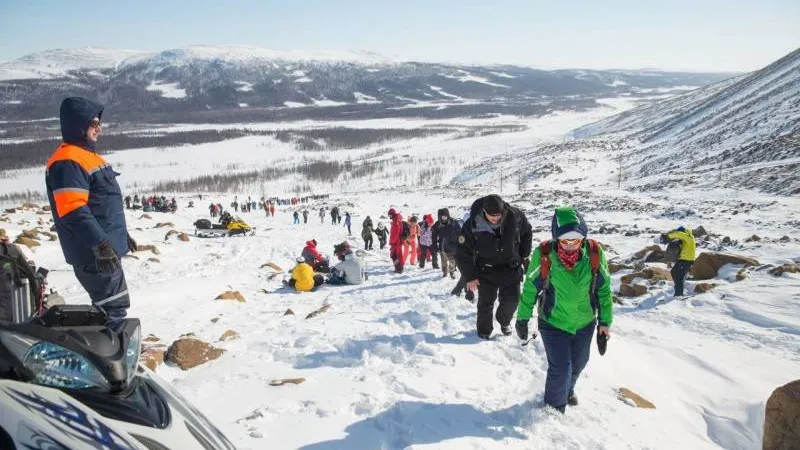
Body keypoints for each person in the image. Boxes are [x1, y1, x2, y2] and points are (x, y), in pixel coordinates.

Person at [45, 97, 135, 328]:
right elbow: (73, 209)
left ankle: (109, 354)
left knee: (111, 306)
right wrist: (101, 244)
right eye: (94, 124)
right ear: (79, 125)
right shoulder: (68, 161)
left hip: (103, 248)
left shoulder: (85, 155)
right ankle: (110, 359)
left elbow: (101, 204)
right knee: (112, 309)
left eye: (99, 123)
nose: (99, 129)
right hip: (93, 254)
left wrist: (119, 235)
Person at [515, 206, 613, 413]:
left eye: (576, 240)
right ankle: (553, 408)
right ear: (556, 237)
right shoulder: (544, 254)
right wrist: (522, 319)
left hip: (585, 322)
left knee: (579, 363)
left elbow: (604, 290)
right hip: (553, 322)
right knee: (561, 368)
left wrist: (604, 323)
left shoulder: (595, 253)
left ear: (583, 238)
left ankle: (567, 390)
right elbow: (531, 288)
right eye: (565, 240)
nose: (570, 245)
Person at [456, 194, 532, 339]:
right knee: (485, 304)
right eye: (492, 216)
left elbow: (527, 232)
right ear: (484, 211)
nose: (495, 218)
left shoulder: (516, 217)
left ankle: (504, 321)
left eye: (498, 215)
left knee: (513, 300)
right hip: (486, 270)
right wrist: (470, 276)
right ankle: (484, 332)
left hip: (511, 268)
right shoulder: (473, 223)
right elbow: (462, 252)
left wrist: (524, 254)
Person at [661, 226, 696, 297]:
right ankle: (678, 287)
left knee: (678, 276)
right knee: (673, 272)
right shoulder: (685, 240)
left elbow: (678, 234)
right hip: (683, 259)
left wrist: (667, 236)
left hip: (686, 260)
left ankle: (679, 294)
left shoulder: (688, 237)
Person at [432, 208, 461, 279]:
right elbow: (434, 236)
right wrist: (435, 246)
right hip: (442, 246)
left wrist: (460, 243)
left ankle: (452, 272)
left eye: (445, 216)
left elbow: (460, 233)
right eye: (442, 216)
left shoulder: (454, 222)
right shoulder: (438, 224)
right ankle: (444, 272)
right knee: (444, 261)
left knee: (452, 260)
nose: (444, 218)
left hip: (453, 246)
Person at [388, 208, 407, 273]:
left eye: (390, 215)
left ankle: (398, 269)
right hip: (398, 242)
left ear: (392, 215)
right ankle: (400, 268)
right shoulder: (397, 220)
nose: (389, 217)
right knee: (398, 255)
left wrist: (392, 242)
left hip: (396, 242)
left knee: (394, 256)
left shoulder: (396, 222)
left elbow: (395, 234)